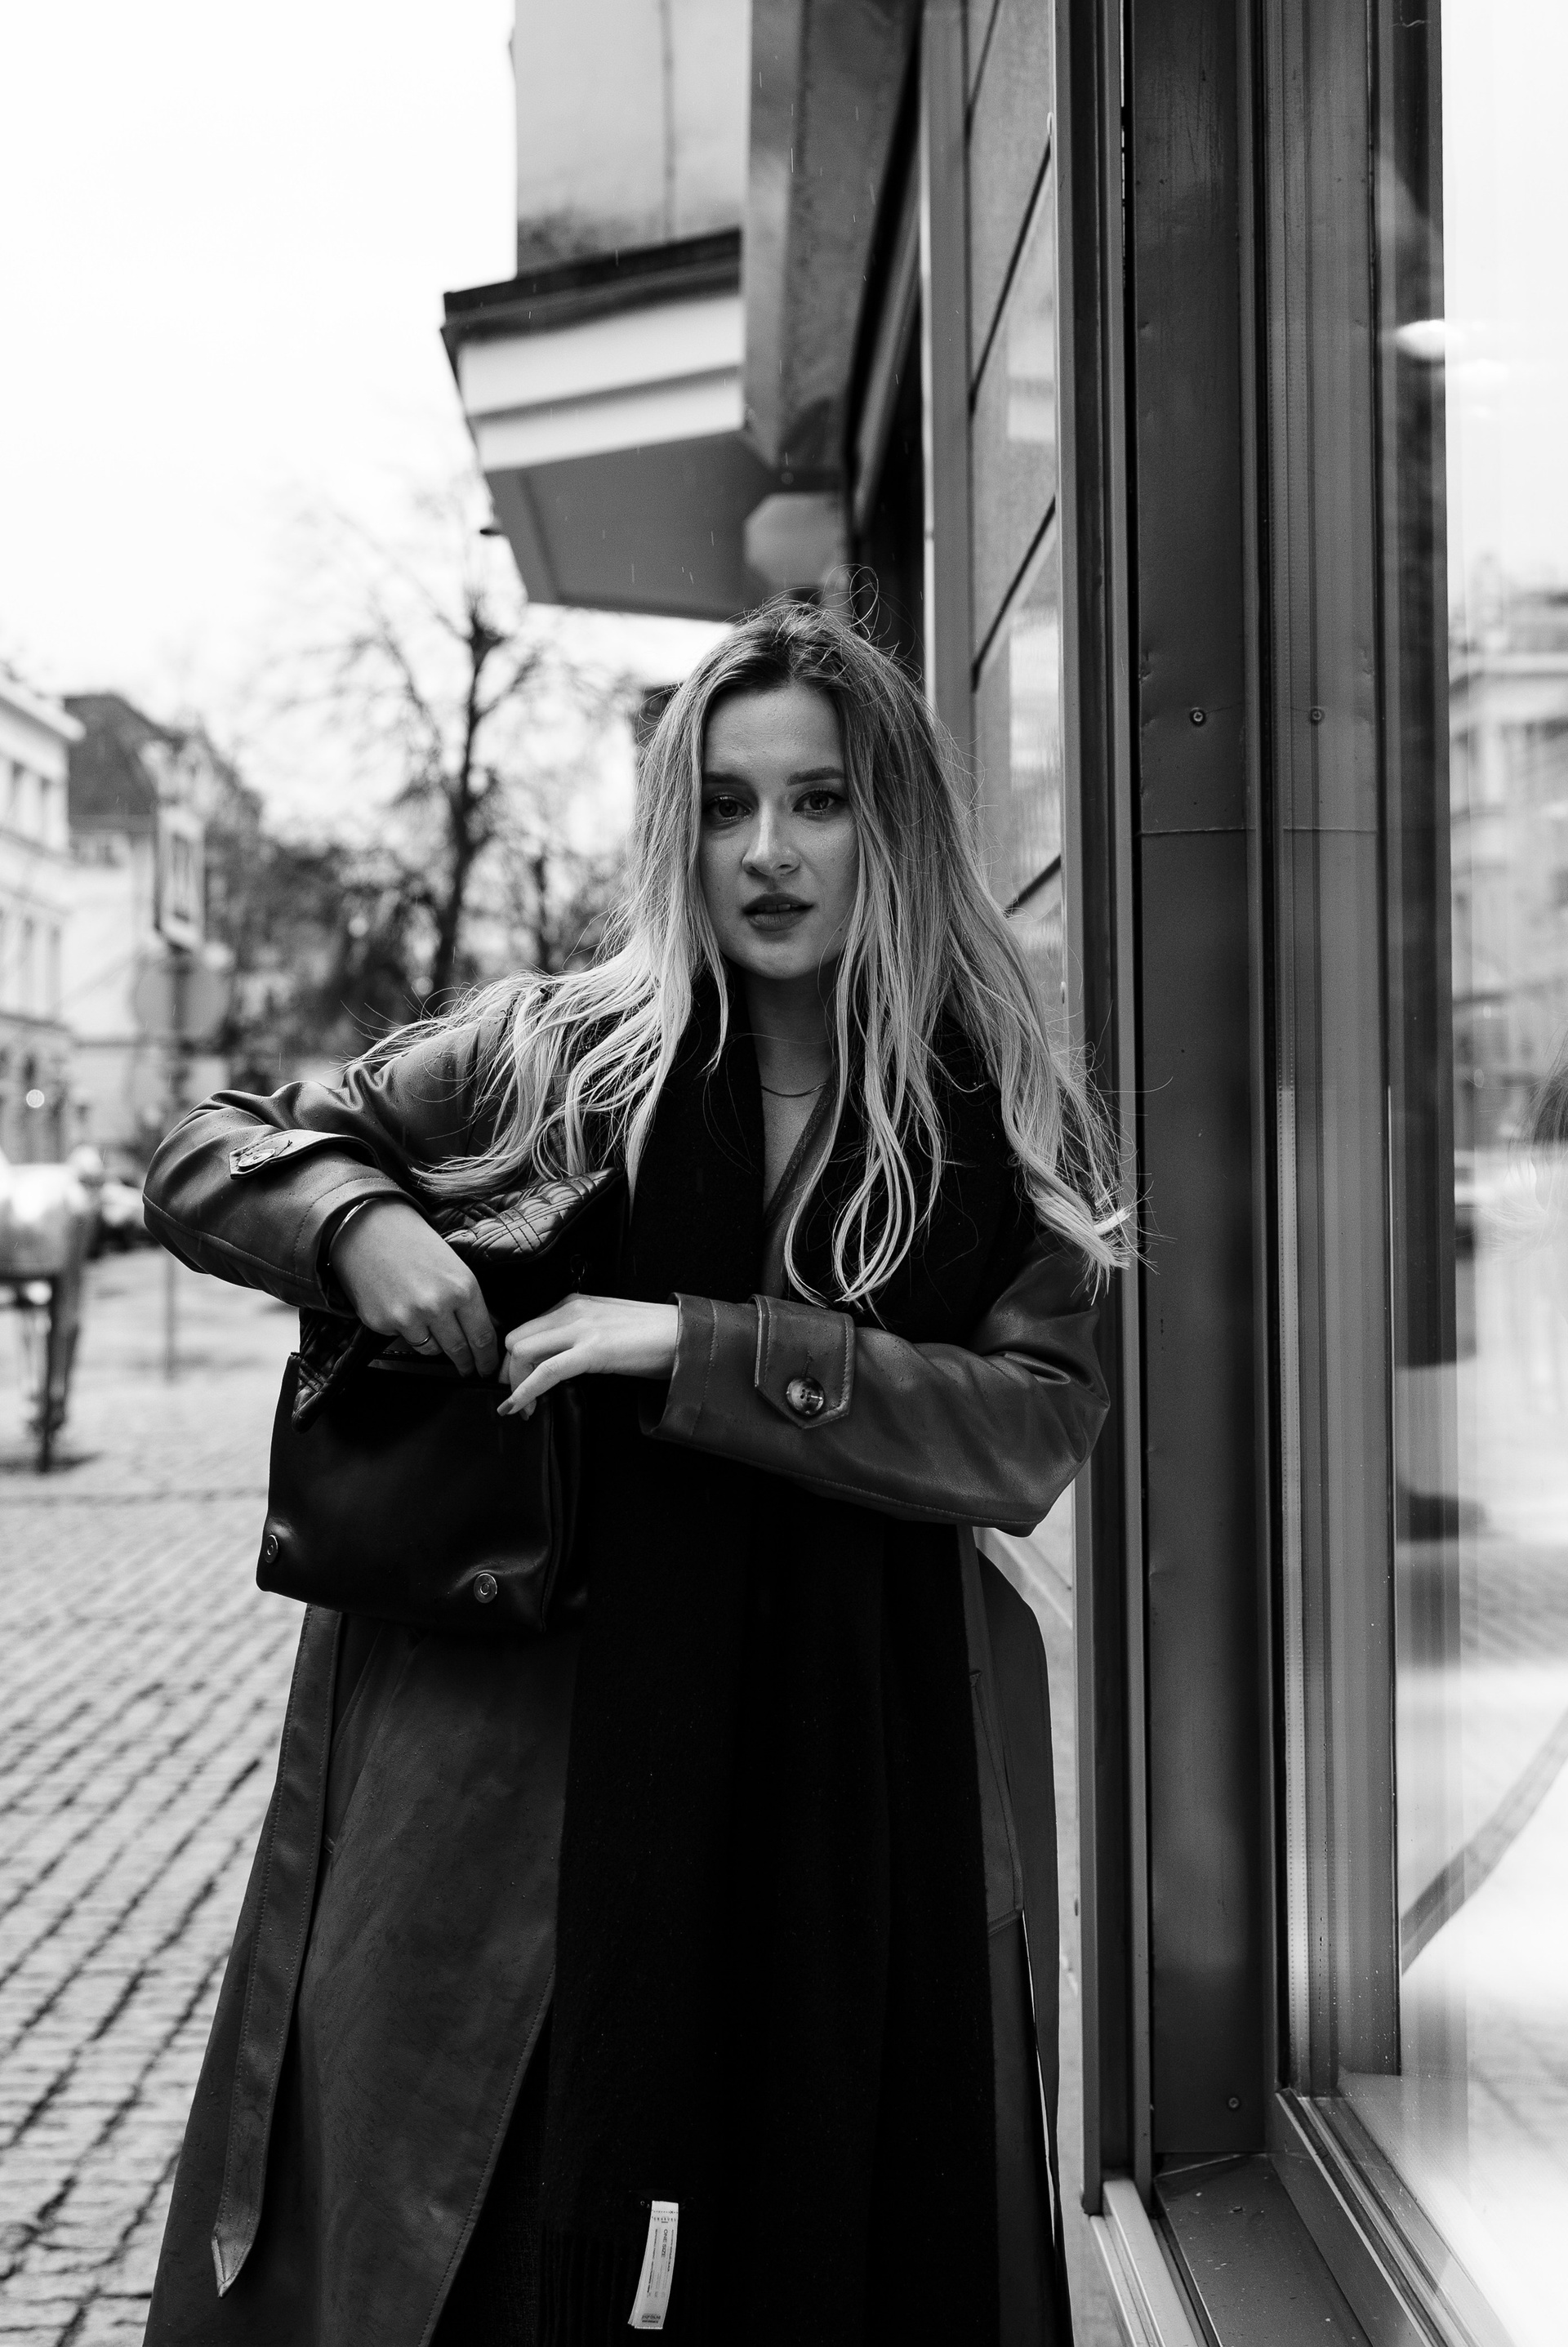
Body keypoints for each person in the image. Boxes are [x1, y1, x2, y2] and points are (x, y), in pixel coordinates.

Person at [140, 599, 1122, 2347]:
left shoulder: (985, 1113)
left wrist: (698, 1346)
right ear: (679, 829)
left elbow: (1034, 1426)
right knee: (517, 2248)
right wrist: (353, 1223)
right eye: (726, 806)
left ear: (892, 823)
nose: (769, 853)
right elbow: (214, 1152)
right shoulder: (556, 1057)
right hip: (545, 1799)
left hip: (864, 1787)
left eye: (818, 801)